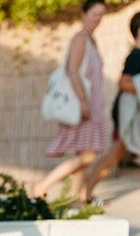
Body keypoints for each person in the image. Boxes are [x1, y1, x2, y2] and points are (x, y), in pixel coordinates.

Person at [34, 0, 110, 201]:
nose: (98, 19)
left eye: (101, 15)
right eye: (95, 14)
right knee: (88, 155)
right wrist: (83, 101)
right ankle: (42, 186)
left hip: (92, 105)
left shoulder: (91, 40)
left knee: (84, 154)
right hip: (83, 105)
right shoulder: (80, 39)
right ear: (83, 14)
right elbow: (72, 70)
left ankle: (76, 200)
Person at [82, 11, 140, 202]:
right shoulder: (136, 56)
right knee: (113, 156)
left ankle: (85, 193)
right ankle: (84, 194)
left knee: (114, 156)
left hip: (134, 116)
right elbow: (123, 83)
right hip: (128, 117)